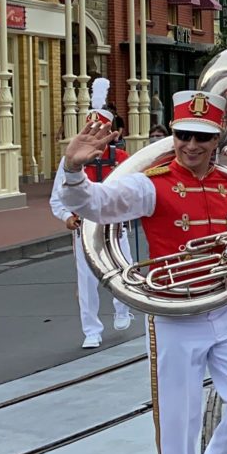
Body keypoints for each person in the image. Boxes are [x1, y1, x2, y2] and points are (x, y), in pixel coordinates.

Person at [57, 89, 227, 454]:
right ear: (173, 135)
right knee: (180, 422)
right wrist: (72, 169)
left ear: (217, 139)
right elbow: (93, 205)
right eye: (183, 134)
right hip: (175, 314)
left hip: (223, 308)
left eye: (201, 136)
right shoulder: (151, 185)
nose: (191, 145)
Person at [49, 78, 133, 349]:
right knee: (86, 281)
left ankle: (123, 309)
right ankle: (91, 330)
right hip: (84, 228)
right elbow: (57, 197)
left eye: (102, 131)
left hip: (115, 226)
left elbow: (132, 192)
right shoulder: (70, 160)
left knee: (123, 270)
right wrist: (66, 217)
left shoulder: (122, 158)